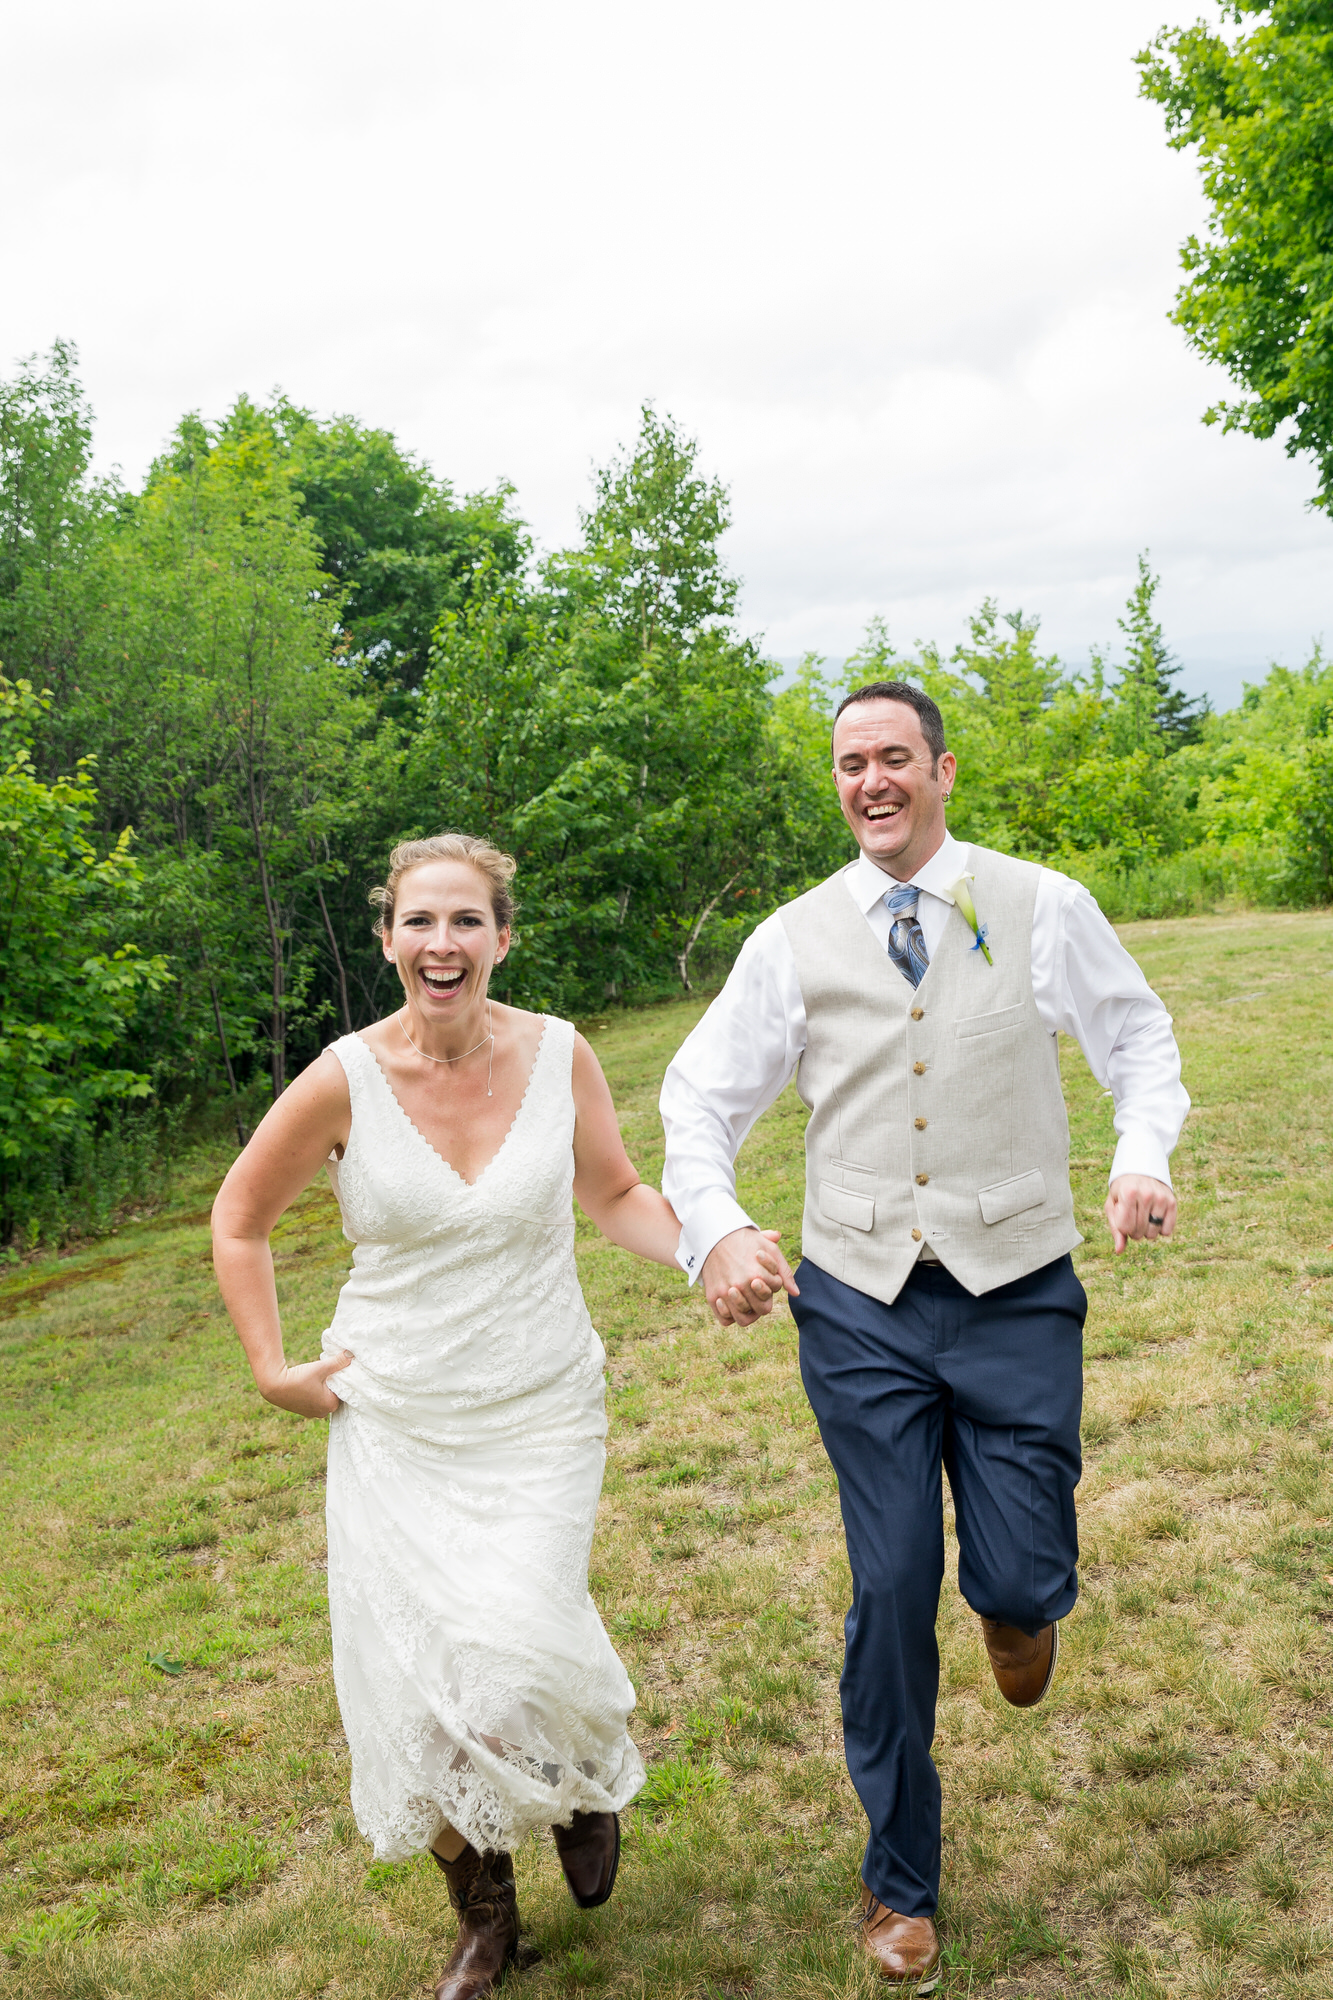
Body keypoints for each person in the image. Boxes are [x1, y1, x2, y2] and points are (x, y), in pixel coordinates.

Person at [659, 683, 1188, 1990]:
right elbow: (697, 1097)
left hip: (1017, 1286)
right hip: (857, 1302)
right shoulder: (790, 939)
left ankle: (1018, 1606)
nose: (873, 780)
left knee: (1013, 1575)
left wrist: (1140, 1151)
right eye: (851, 762)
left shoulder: (1039, 904)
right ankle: (900, 1881)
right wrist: (715, 1228)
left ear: (942, 770)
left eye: (894, 756)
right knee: (889, 1585)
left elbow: (1136, 1034)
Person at [212, 833, 707, 2000]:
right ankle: (486, 1916)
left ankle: (576, 1782)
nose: (443, 942)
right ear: (388, 938)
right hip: (396, 1414)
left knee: (512, 1644)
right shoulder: (341, 1078)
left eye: (466, 920)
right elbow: (239, 1219)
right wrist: (272, 1366)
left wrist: (712, 1243)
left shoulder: (559, 1053)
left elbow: (615, 1191)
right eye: (420, 921)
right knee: (413, 1686)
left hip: (539, 1403)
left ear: (501, 937)